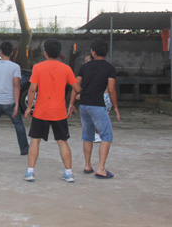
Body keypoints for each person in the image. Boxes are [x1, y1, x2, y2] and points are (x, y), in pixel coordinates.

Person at [23, 38, 77, 183]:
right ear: (59, 53)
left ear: (45, 52)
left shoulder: (38, 67)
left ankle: (30, 172)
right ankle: (69, 173)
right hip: (59, 111)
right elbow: (76, 87)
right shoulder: (66, 69)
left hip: (41, 110)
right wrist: (76, 99)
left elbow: (32, 89)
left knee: (35, 140)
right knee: (62, 141)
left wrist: (28, 107)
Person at [73, 38, 120, 179]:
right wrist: (116, 107)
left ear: (93, 52)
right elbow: (111, 90)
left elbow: (76, 86)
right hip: (97, 105)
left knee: (87, 136)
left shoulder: (84, 67)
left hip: (84, 105)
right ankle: (101, 169)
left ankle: (87, 166)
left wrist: (72, 103)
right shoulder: (109, 68)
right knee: (106, 136)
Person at [76, 53, 112, 143]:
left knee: (96, 120)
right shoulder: (91, 70)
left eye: (87, 60)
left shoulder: (95, 71)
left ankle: (98, 135)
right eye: (85, 61)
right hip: (95, 100)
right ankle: (97, 135)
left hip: (100, 99)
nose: (85, 62)